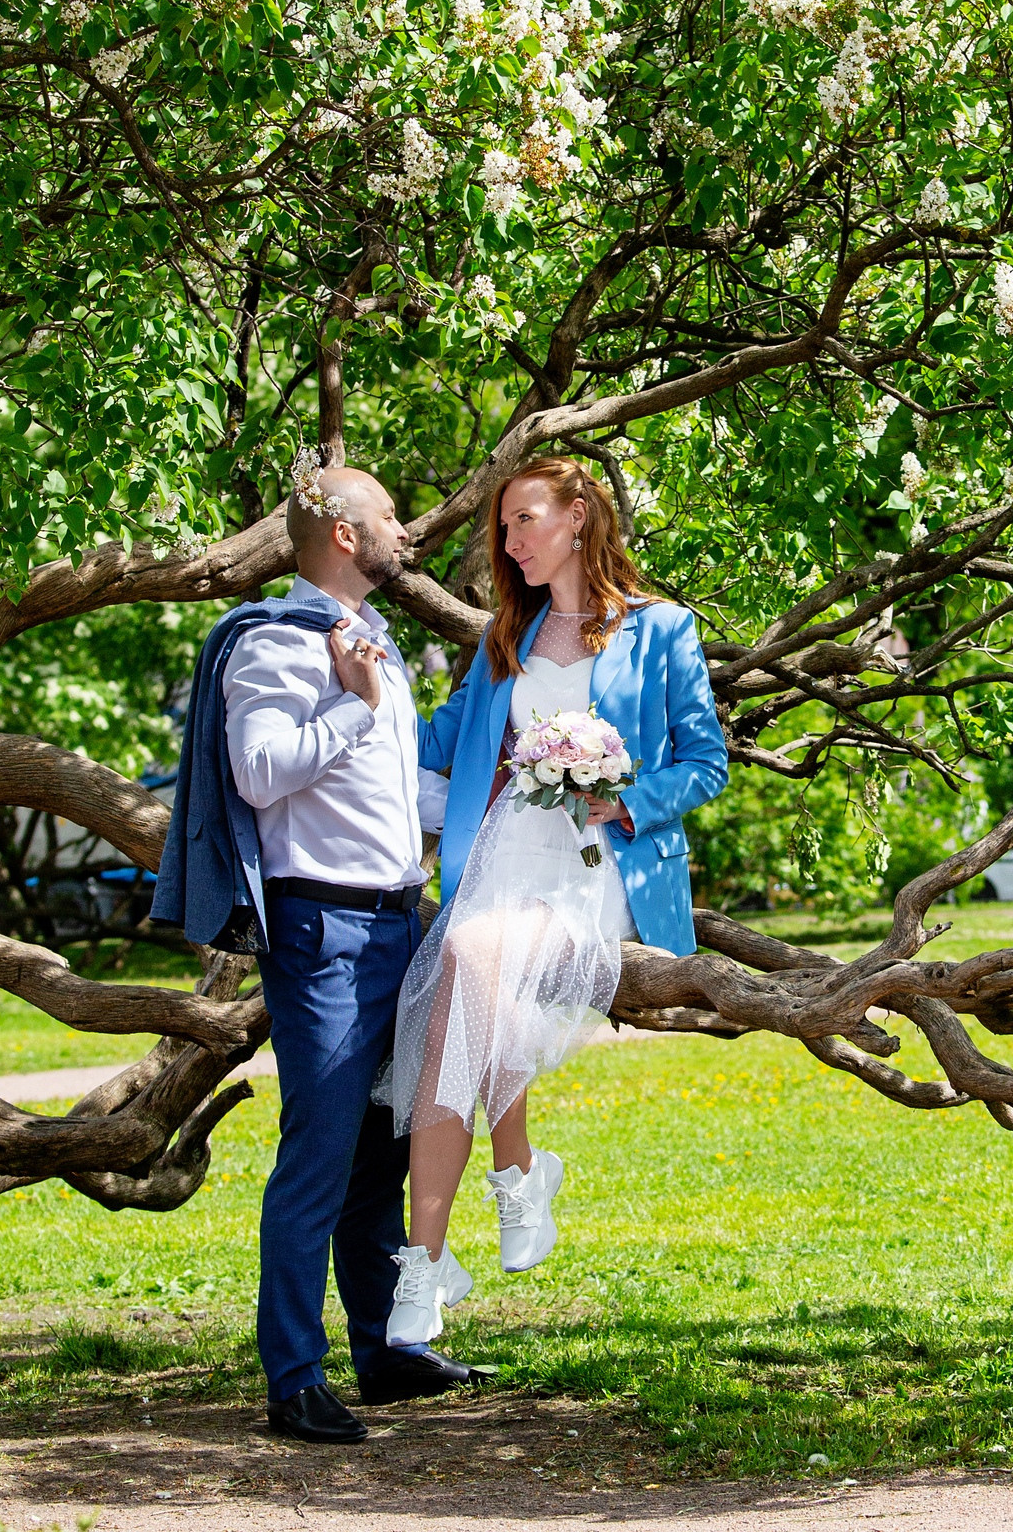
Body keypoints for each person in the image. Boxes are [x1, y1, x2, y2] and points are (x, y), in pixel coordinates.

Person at [150, 458, 485, 1447]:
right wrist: (344, 700)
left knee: (387, 1145)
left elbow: (394, 802)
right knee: (322, 1147)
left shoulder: (375, 641)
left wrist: (505, 793)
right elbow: (259, 773)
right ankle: (294, 1377)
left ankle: (383, 1350)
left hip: (398, 921)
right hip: (324, 932)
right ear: (342, 533)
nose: (404, 532)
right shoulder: (274, 645)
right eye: (387, 516)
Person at [380, 455, 727, 1347]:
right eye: (503, 527)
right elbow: (435, 745)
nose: (510, 539)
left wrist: (627, 799)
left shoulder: (662, 631)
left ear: (579, 516)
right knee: (461, 1001)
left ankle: (460, 1233)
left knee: (463, 966)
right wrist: (368, 679)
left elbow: (705, 762)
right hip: (501, 863)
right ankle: (465, 1227)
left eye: (524, 519)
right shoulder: (505, 639)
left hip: (596, 863)